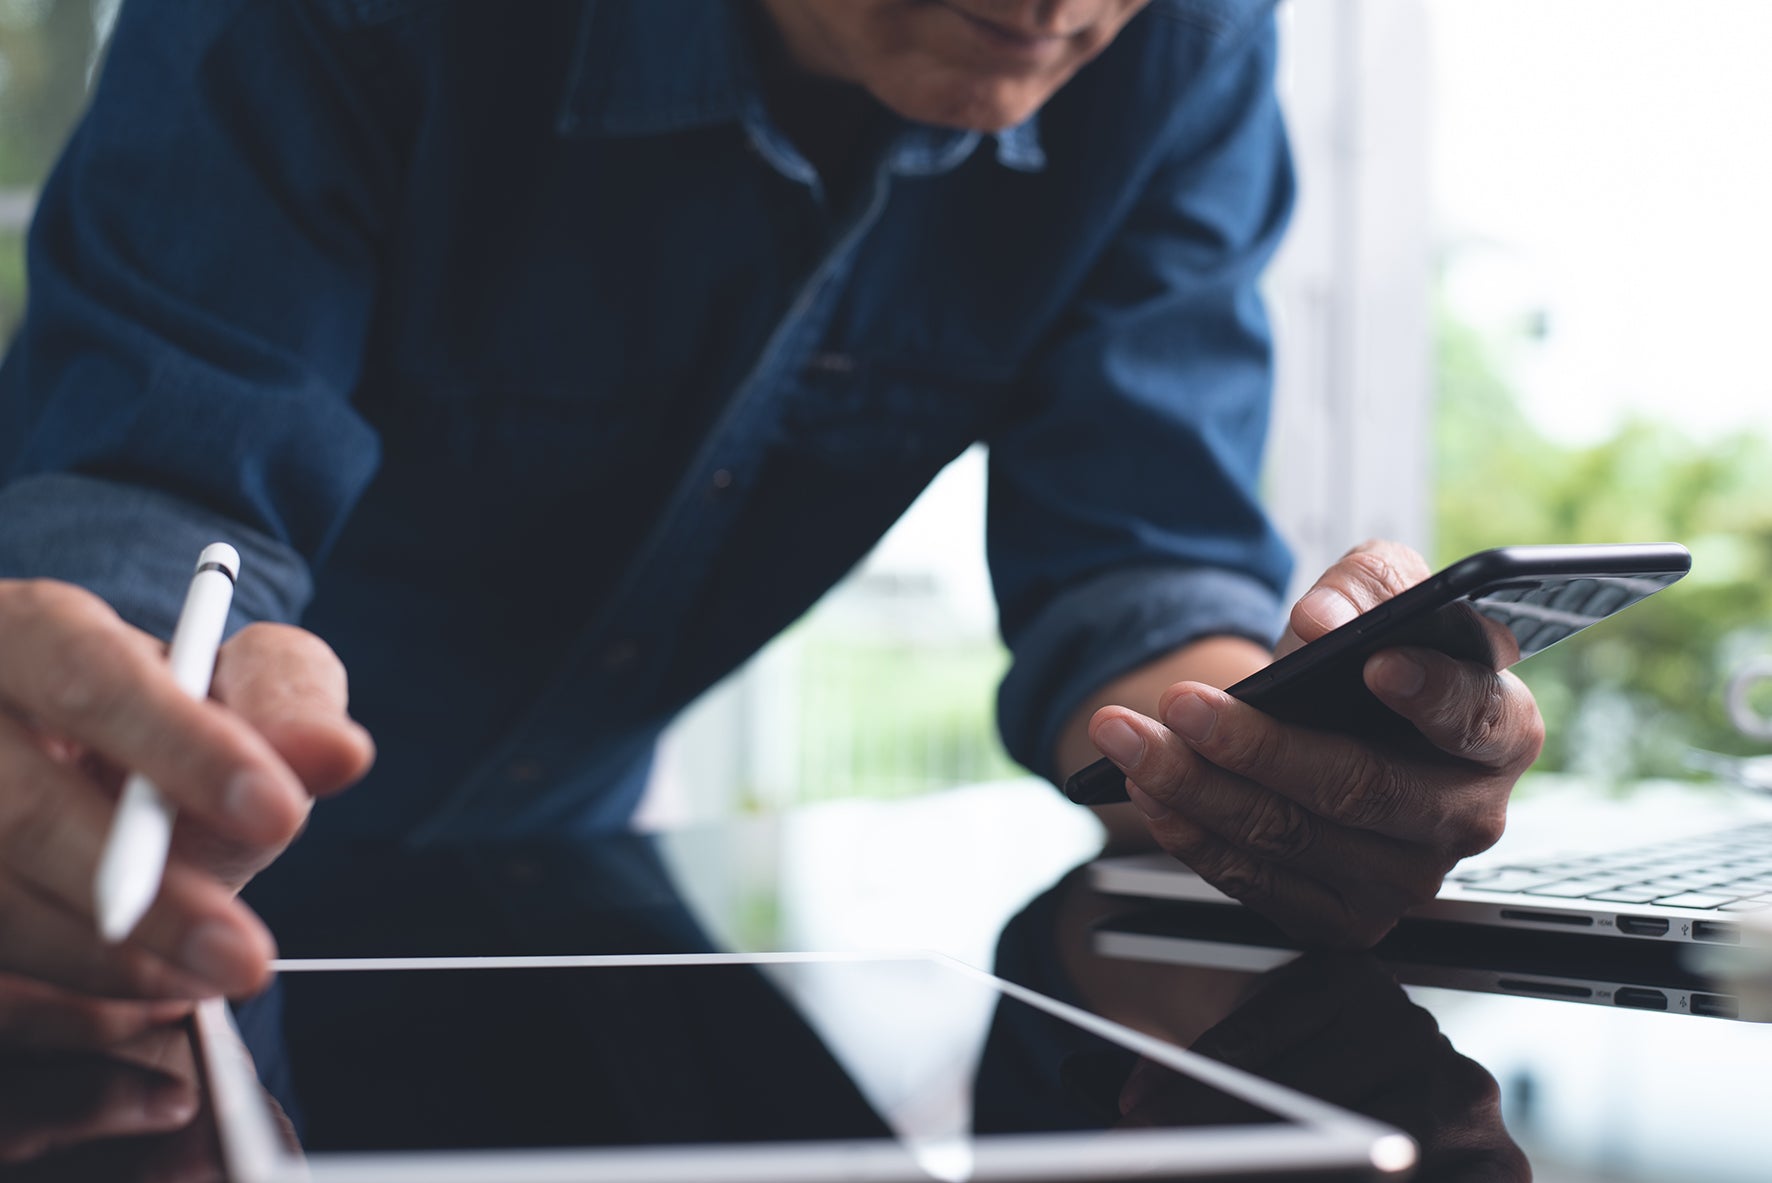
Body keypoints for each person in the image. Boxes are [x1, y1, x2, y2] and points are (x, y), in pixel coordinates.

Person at [0, 0, 1542, 1034]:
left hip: (576, 918)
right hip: (115, 923)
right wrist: (101, 725)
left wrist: (1270, 764)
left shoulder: (1189, 46)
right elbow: (155, 487)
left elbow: (1134, 571)